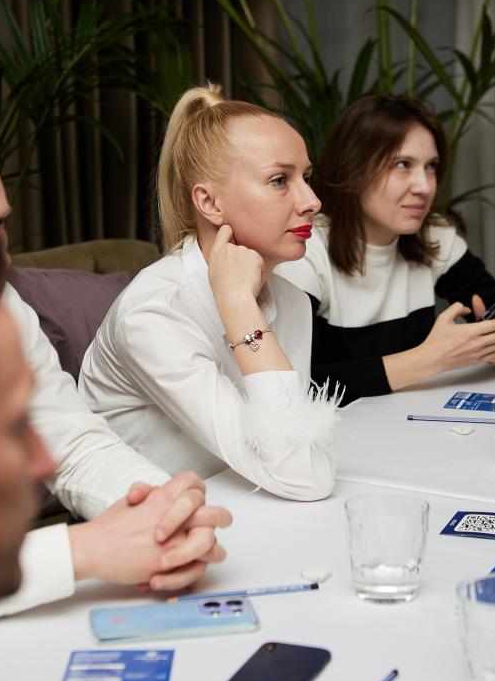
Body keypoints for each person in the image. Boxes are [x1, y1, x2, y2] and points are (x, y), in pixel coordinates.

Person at [0, 139, 231, 621]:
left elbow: (71, 444)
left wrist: (163, 510)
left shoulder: (1, 302)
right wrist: (80, 551)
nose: (0, 260)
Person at [80, 85, 340, 501]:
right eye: (279, 180)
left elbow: (303, 458)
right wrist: (238, 305)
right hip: (146, 524)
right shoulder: (153, 314)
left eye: (305, 178)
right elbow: (303, 476)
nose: (312, 201)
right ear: (209, 203)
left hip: (244, 503)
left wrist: (244, 304)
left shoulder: (291, 300)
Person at [276, 94, 495, 403]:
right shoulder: (305, 248)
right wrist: (430, 359)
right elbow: (294, 384)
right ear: (353, 167)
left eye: (431, 166)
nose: (424, 186)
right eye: (402, 165)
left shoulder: (434, 236)